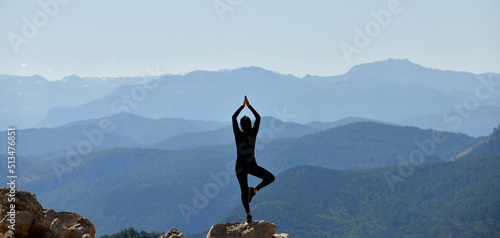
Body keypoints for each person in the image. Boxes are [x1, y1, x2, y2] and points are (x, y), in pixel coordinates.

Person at [232, 96, 275, 223]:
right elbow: (258, 118)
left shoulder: (238, 134)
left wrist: (242, 106)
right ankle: (254, 190)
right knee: (270, 177)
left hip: (239, 166)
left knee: (243, 190)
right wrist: (249, 106)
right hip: (251, 166)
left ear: (240, 126)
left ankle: (248, 214)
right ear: (250, 125)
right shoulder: (253, 134)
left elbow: (233, 118)